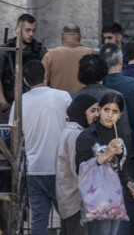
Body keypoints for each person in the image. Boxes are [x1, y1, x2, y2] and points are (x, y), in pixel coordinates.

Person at [11, 60, 70, 235]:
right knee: (69, 217)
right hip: (60, 168)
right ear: (45, 75)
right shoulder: (62, 96)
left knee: (38, 218)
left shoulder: (19, 102)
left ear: (25, 81)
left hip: (34, 169)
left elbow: (14, 135)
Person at [75, 93, 134, 235]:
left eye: (115, 111)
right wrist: (106, 154)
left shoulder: (123, 135)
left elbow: (122, 170)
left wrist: (131, 185)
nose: (109, 115)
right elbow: (81, 169)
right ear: (99, 110)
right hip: (96, 198)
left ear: (120, 115)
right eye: (106, 110)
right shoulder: (87, 136)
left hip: (116, 198)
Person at [99, 43, 134, 235]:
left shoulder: (100, 86)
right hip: (130, 151)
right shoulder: (132, 85)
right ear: (120, 60)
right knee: (133, 199)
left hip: (102, 153)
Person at [0, 13, 47, 123]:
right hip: (10, 104)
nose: (31, 34)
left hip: (34, 104)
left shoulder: (39, 51)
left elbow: (46, 76)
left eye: (33, 31)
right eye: (27, 30)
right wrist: (3, 103)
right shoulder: (6, 50)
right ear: (17, 29)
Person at [56, 94, 98, 235]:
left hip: (69, 198)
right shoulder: (76, 134)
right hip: (76, 201)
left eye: (97, 110)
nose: (96, 115)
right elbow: (78, 169)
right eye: (92, 111)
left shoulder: (71, 131)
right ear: (81, 111)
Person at [70, 54, 131, 139]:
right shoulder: (115, 96)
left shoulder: (73, 97)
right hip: (109, 146)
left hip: (79, 147)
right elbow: (125, 130)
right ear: (104, 71)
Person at [41, 22, 93, 94]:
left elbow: (42, 83)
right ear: (80, 36)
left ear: (62, 36)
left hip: (58, 102)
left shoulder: (50, 55)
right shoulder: (90, 54)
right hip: (85, 102)